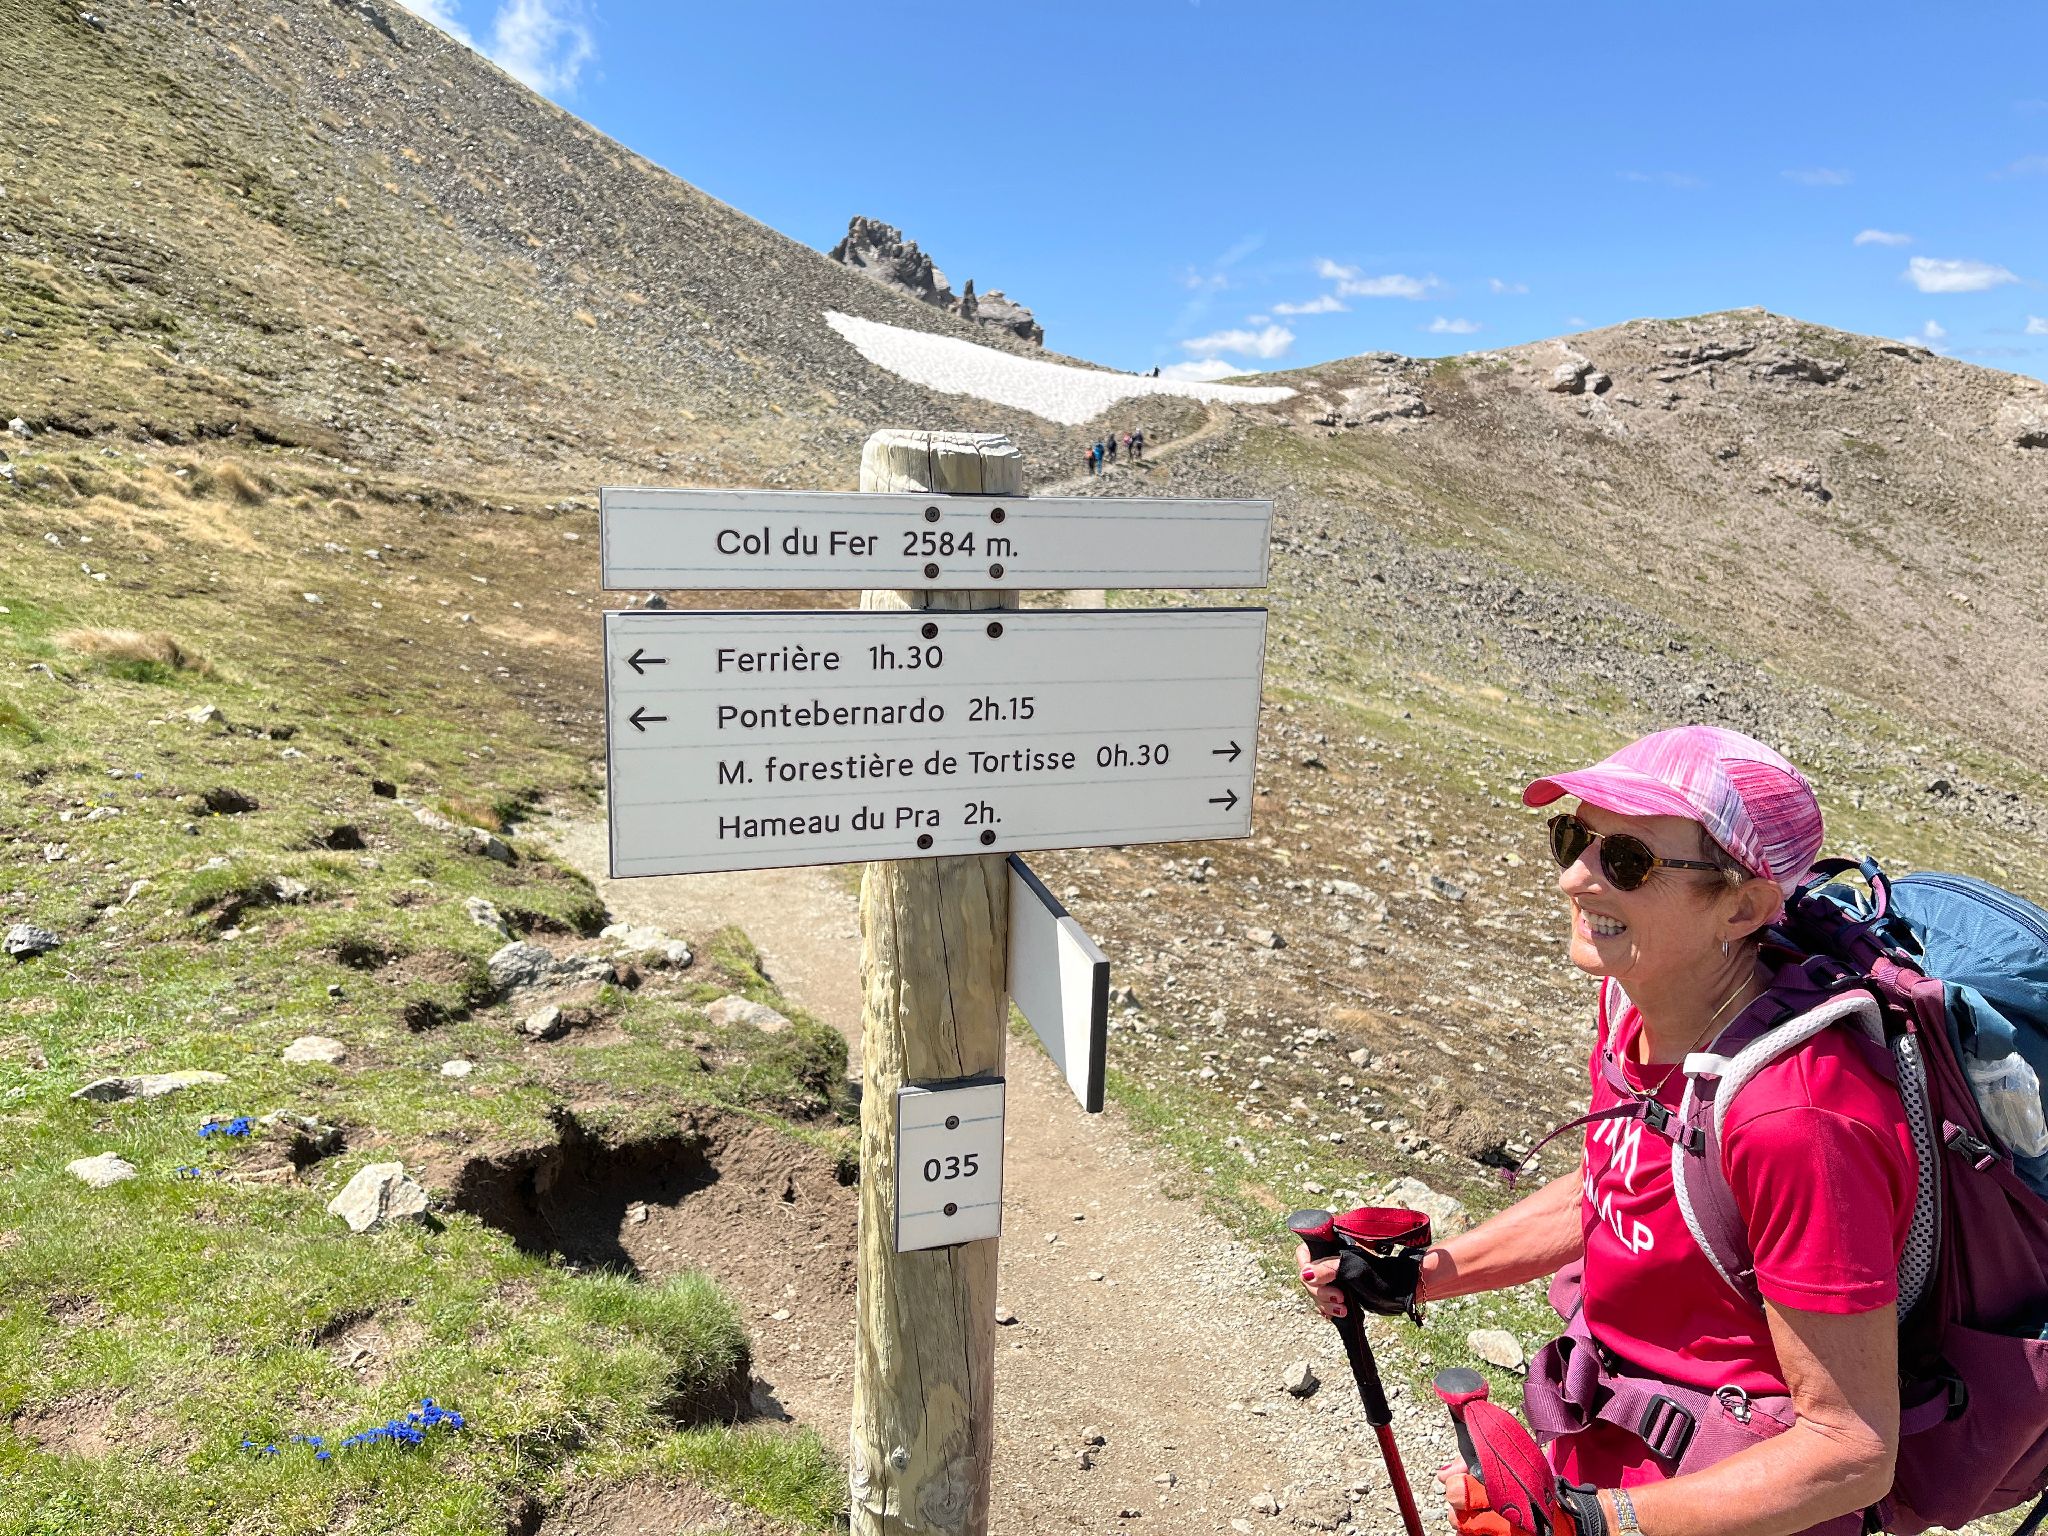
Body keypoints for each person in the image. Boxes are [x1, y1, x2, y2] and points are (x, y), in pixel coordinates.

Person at [1300, 726, 1914, 1536]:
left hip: (1724, 1504)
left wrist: (1588, 1523)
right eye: (1573, 837)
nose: (1572, 877)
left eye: (1628, 860)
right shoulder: (1636, 1003)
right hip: (1604, 1461)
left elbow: (1851, 1448)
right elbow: (1616, 1186)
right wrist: (1418, 1276)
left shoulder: (1797, 1120)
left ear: (1744, 907)